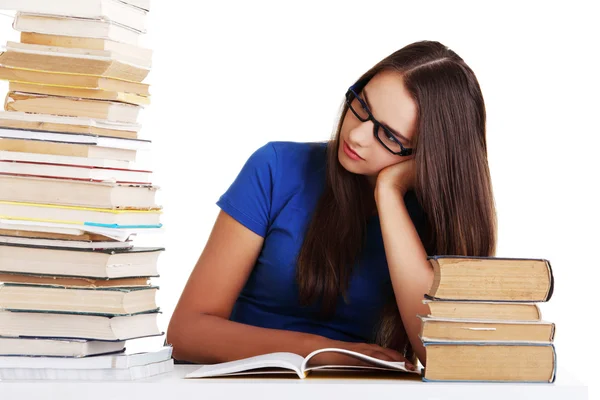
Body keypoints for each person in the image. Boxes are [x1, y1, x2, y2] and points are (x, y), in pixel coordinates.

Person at [166, 40, 497, 369]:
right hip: (244, 381)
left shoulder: (435, 219)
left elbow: (442, 355)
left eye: (391, 136)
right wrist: (319, 350)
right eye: (363, 107)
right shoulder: (276, 167)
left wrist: (389, 193)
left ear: (427, 156)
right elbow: (184, 333)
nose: (356, 136)